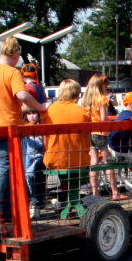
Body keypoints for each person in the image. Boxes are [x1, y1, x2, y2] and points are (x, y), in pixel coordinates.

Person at [0, 36, 48, 222]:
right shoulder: (12, 73)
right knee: (5, 170)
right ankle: (1, 213)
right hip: (8, 128)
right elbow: (22, 94)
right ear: (16, 54)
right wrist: (41, 107)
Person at [43, 79, 91, 208]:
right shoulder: (83, 111)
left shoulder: (49, 111)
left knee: (67, 180)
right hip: (79, 160)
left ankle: (64, 202)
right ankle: (71, 202)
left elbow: (45, 137)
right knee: (76, 179)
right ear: (76, 93)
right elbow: (88, 137)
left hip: (54, 159)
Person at [82, 74, 122, 200]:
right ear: (101, 86)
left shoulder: (86, 99)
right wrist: (113, 123)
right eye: (105, 85)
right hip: (101, 133)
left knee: (93, 162)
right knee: (108, 162)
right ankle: (115, 192)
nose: (107, 87)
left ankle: (95, 192)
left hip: (90, 132)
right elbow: (104, 119)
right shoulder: (102, 99)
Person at [22, 110, 46, 218]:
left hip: (39, 157)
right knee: (28, 178)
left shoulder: (42, 127)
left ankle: (36, 203)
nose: (32, 116)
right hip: (27, 157)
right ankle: (34, 203)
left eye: (34, 113)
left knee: (32, 176)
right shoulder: (23, 127)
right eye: (29, 114)